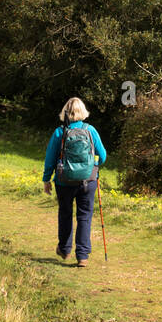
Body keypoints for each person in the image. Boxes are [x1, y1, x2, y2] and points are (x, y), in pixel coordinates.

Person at [43, 97, 107, 267]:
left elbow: (50, 158)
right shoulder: (91, 130)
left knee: (65, 214)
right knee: (84, 216)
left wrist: (46, 179)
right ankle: (83, 256)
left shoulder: (59, 132)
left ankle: (64, 249)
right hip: (88, 181)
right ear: (83, 112)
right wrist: (93, 166)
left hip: (64, 181)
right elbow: (103, 155)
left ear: (66, 112)